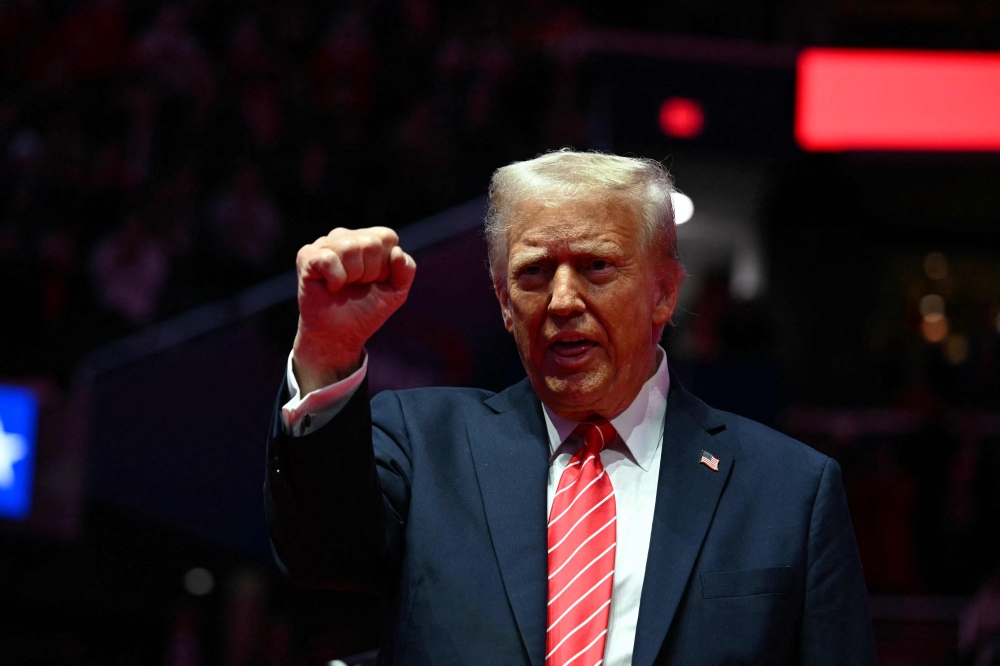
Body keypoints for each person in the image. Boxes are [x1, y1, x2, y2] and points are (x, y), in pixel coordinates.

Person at [264, 150, 875, 665]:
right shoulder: (423, 447)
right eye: (533, 273)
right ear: (504, 303)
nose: (561, 300)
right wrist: (327, 351)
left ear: (664, 292)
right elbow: (321, 557)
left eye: (596, 266)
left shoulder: (790, 491)